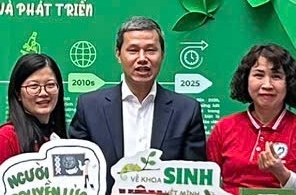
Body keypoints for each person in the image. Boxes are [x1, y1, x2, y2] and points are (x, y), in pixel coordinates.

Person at [71, 17, 207, 166]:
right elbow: (78, 169)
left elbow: (193, 173)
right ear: (118, 55)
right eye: (133, 50)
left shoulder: (187, 111)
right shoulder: (89, 107)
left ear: (162, 55)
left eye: (150, 50)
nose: (142, 58)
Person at [208, 44, 296, 195]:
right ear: (246, 80)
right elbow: (207, 187)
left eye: (276, 76)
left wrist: (282, 173)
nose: (267, 85)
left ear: (289, 83)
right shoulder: (224, 128)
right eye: (259, 75)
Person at [0, 52, 71, 172]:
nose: (43, 93)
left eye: (50, 85)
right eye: (33, 86)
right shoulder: (6, 137)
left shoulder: (57, 136)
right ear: (18, 94)